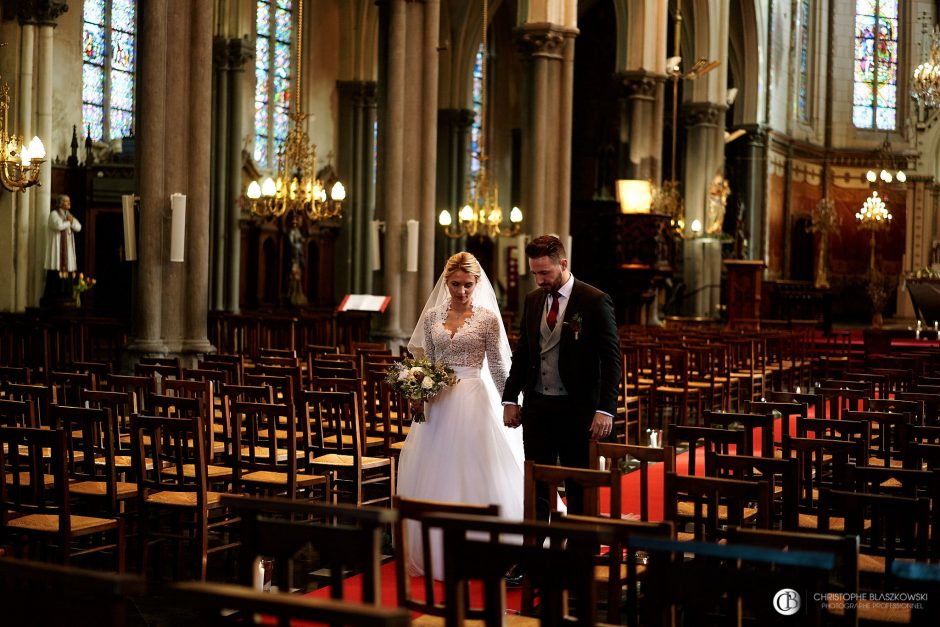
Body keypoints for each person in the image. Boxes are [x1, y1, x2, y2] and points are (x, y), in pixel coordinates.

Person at [398, 252, 524, 580]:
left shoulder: (487, 319)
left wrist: (510, 401)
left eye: (468, 285)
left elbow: (497, 365)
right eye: (455, 284)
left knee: (476, 469)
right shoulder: (431, 318)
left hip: (473, 398)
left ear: (477, 283)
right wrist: (418, 393)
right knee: (438, 471)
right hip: (440, 401)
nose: (462, 291)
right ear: (445, 281)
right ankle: (437, 549)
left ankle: (485, 549)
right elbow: (428, 363)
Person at [502, 235, 621, 516]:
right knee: (537, 484)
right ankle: (536, 551)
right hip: (538, 407)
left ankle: (579, 554)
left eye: (545, 272)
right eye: (535, 273)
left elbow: (611, 360)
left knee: (578, 483)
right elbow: (524, 353)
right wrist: (510, 398)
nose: (539, 279)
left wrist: (605, 409)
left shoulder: (594, 300)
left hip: (577, 409)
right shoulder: (532, 300)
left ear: (563, 263)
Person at [43, 194, 82, 301]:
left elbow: (78, 227)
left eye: (69, 201)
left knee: (68, 274)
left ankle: (67, 295)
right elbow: (58, 226)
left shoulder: (68, 215)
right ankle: (54, 296)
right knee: (55, 275)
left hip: (67, 252)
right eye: (66, 201)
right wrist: (69, 222)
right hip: (57, 252)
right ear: (60, 203)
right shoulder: (54, 214)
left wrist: (71, 221)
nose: (69, 203)